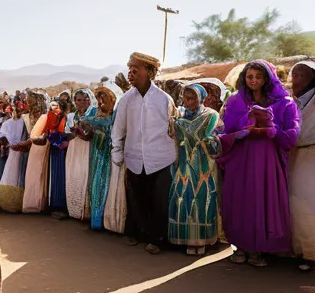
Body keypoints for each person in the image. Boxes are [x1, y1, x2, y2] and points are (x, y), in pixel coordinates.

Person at [217, 60, 300, 267]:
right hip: (241, 158)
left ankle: (257, 250)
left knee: (262, 200)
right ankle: (240, 246)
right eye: (249, 76)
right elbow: (226, 131)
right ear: (244, 78)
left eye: (258, 76)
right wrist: (247, 123)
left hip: (267, 161)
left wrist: (272, 128)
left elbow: (292, 135)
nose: (253, 80)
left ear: (266, 79)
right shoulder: (235, 101)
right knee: (240, 200)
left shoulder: (284, 102)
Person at [111, 52, 177, 254]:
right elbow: (118, 129)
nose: (130, 73)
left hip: (161, 158)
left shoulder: (164, 99)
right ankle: (139, 233)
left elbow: (173, 129)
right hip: (133, 158)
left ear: (149, 72)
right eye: (129, 69)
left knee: (159, 200)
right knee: (137, 197)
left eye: (135, 69)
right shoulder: (125, 100)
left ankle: (158, 239)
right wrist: (117, 152)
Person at [167, 84, 220, 255]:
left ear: (201, 99)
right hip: (184, 165)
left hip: (204, 166)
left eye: (192, 98)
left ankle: (202, 240)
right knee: (182, 197)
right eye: (185, 97)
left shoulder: (211, 116)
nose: (187, 101)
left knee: (203, 197)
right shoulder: (179, 119)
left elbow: (215, 140)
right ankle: (186, 238)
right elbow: (174, 141)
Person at [81, 84, 122, 231]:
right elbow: (84, 122)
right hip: (98, 155)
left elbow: (113, 130)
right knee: (97, 184)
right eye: (99, 98)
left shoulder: (117, 115)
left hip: (113, 156)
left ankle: (109, 220)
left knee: (110, 186)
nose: (101, 101)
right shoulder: (95, 114)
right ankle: (97, 220)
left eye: (105, 97)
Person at [287, 60, 315, 271]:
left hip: (311, 155)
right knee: (296, 202)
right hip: (294, 156)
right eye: (293, 75)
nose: (294, 80)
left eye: (300, 76)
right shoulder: (292, 101)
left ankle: (311, 254)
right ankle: (300, 250)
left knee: (309, 203)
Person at [65, 88, 97, 220]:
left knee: (86, 175)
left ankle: (86, 211)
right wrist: (74, 132)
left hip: (87, 148)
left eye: (85, 99)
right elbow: (67, 134)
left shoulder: (94, 113)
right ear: (74, 102)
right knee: (74, 175)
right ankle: (74, 210)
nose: (82, 102)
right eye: (79, 100)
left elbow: (93, 133)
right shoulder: (71, 116)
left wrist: (83, 133)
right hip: (74, 148)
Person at [0, 104, 29, 213]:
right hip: (13, 152)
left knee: (21, 173)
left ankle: (20, 201)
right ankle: (9, 201)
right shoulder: (7, 123)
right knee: (11, 172)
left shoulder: (26, 122)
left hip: (24, 152)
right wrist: (7, 142)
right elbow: (1, 137)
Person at [22, 98, 51, 214]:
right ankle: (32, 202)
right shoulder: (34, 120)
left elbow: (38, 137)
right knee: (32, 174)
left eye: (38, 110)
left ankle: (37, 203)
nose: (36, 113)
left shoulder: (45, 118)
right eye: (34, 110)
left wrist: (24, 143)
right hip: (35, 148)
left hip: (41, 147)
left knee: (38, 174)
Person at [46, 98, 70, 217]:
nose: (53, 108)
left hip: (63, 150)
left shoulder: (66, 118)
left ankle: (62, 206)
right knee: (54, 176)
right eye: (51, 106)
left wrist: (65, 142)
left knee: (62, 176)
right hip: (54, 149)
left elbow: (68, 133)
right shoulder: (53, 118)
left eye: (55, 106)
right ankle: (55, 204)